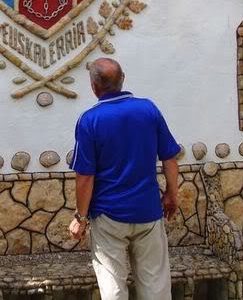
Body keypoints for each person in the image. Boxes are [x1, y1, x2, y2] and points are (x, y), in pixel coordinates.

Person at [68, 57, 181, 300]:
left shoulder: (89, 120)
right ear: (123, 80)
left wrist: (80, 217)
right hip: (148, 212)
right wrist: (172, 195)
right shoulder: (149, 109)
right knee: (156, 287)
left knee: (113, 288)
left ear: (94, 87)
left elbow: (85, 176)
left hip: (108, 216)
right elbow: (170, 158)